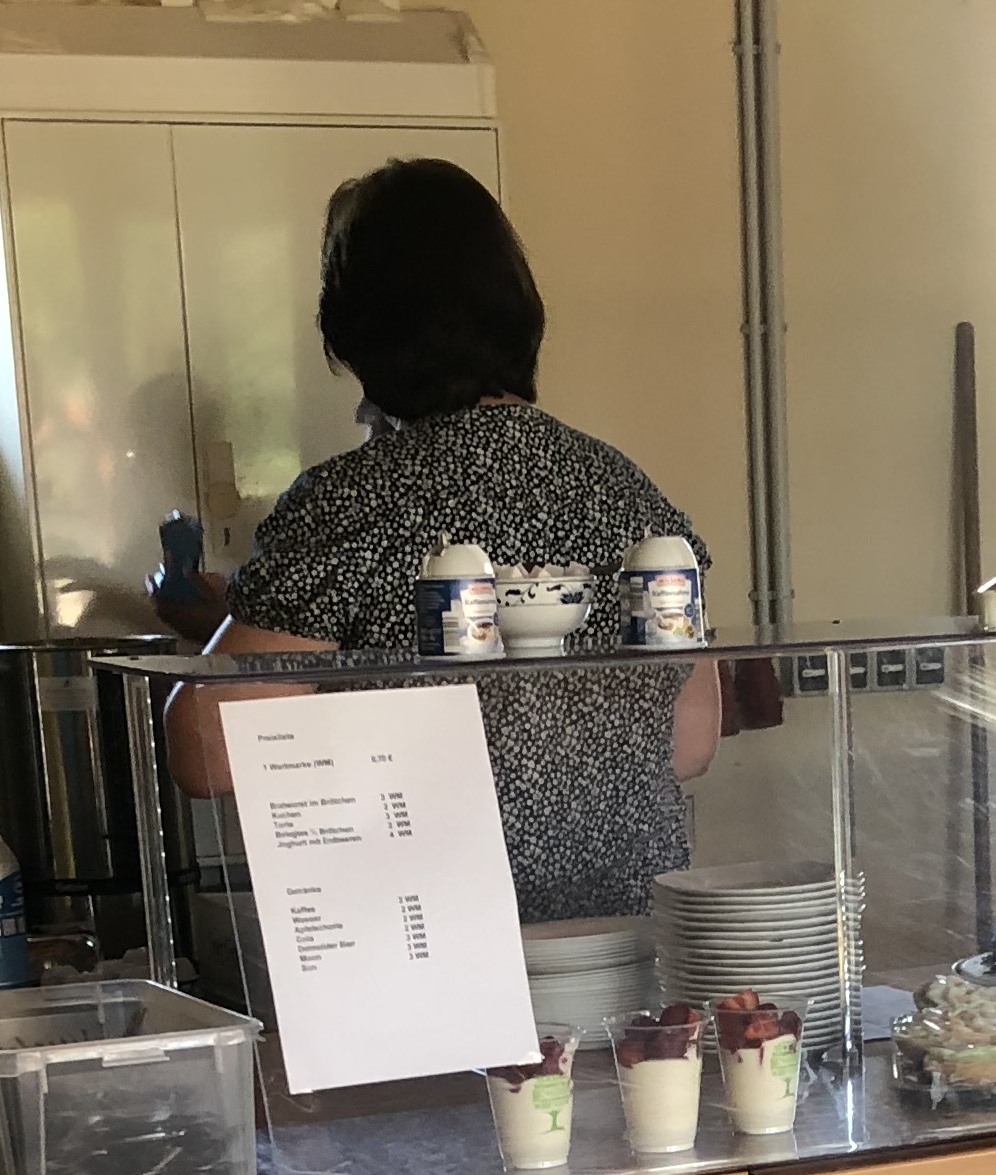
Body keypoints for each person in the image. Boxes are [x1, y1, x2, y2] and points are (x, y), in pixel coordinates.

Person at [180, 160, 718, 921]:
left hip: (429, 939)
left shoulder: (355, 500)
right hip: (623, 937)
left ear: (356, 330)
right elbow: (691, 743)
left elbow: (207, 752)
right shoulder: (627, 491)